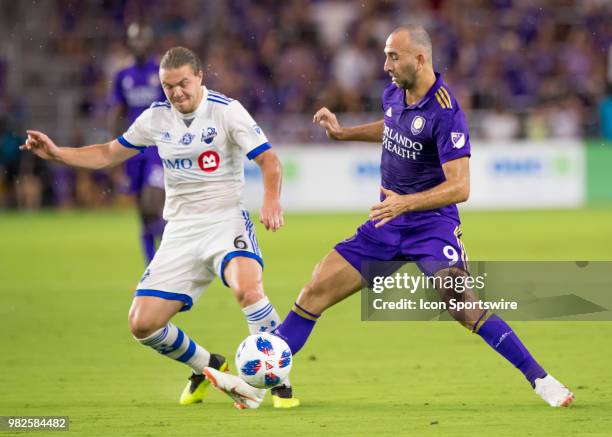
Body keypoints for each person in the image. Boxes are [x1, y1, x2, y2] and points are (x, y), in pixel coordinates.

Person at [204, 26, 574, 409]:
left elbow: (460, 187)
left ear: (420, 58)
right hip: (386, 223)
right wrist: (344, 134)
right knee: (314, 291)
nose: (385, 65)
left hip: (430, 226)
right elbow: (391, 127)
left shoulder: (446, 113)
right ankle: (259, 385)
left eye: (393, 57)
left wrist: (406, 203)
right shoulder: (394, 93)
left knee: (461, 303)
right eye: (385, 55)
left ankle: (541, 380)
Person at [21, 46, 299, 409]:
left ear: (199, 76)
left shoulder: (226, 110)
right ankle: (208, 365)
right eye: (169, 86)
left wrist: (271, 200)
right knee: (142, 324)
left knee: (248, 290)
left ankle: (279, 381)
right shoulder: (156, 118)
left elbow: (269, 160)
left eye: (183, 83)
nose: (177, 92)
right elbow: (108, 153)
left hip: (224, 219)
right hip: (180, 230)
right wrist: (58, 153)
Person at [109, 23, 166, 263]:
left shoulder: (161, 72)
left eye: (143, 39)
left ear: (150, 41)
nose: (139, 44)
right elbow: (117, 111)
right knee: (143, 213)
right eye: (135, 39)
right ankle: (152, 265)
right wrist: (114, 149)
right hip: (133, 148)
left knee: (152, 202)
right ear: (129, 42)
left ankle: (169, 259)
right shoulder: (123, 75)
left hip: (157, 147)